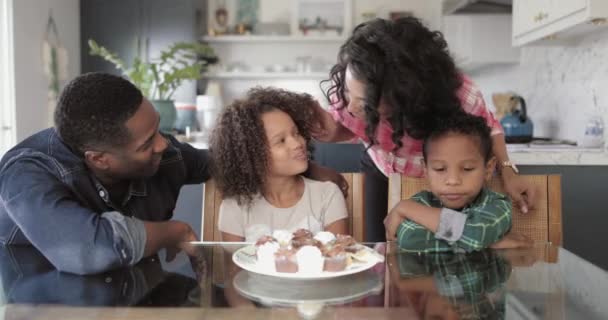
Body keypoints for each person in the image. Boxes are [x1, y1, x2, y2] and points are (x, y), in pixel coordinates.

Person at [0, 73, 345, 275]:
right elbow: (84, 248)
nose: (165, 146)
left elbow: (237, 158)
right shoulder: (27, 172)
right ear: (100, 159)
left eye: (159, 130)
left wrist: (309, 168)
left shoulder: (167, 156)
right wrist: (173, 232)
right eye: (147, 143)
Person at [310, 17, 537, 242]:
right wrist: (331, 133)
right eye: (349, 94)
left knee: (443, 237)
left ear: (402, 96)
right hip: (381, 170)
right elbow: (350, 127)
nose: (349, 106)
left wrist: (508, 171)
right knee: (379, 244)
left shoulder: (460, 97)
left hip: (439, 175)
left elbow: (486, 128)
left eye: (364, 102)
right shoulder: (357, 90)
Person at [212, 87, 349, 242]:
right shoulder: (235, 207)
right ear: (252, 155)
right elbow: (234, 266)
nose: (297, 143)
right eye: (281, 141)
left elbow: (339, 259)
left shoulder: (327, 195)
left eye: (296, 133)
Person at [384, 113, 532, 252]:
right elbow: (409, 238)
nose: (453, 181)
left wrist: (405, 207)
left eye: (467, 169)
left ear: (488, 169)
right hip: (430, 279)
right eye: (440, 169)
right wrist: (490, 244)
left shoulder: (497, 206)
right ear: (426, 170)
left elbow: (476, 233)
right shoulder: (421, 202)